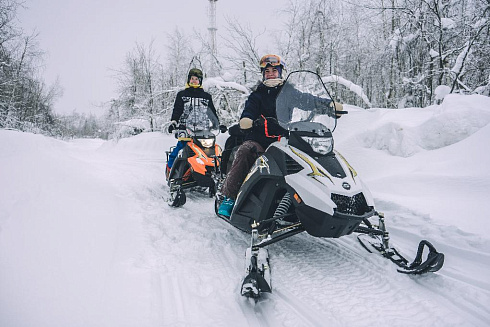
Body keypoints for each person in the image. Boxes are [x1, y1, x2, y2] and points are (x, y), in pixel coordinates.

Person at [217, 54, 344, 217]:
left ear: (281, 72)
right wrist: (247, 119)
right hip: (260, 140)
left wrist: (328, 105)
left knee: (307, 157)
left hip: (284, 139)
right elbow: (249, 109)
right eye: (267, 71)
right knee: (245, 151)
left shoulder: (289, 92)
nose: (270, 73)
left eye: (274, 70)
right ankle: (229, 197)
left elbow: (307, 100)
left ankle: (316, 196)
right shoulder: (258, 94)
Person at [166, 68, 219, 179]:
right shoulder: (182, 94)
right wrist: (173, 122)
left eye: (196, 79)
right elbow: (177, 110)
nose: (194, 81)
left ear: (200, 81)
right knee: (179, 151)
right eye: (192, 79)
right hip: (185, 130)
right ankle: (171, 172)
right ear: (188, 80)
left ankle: (208, 174)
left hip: (202, 131)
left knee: (209, 153)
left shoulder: (206, 96)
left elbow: (212, 112)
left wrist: (217, 123)